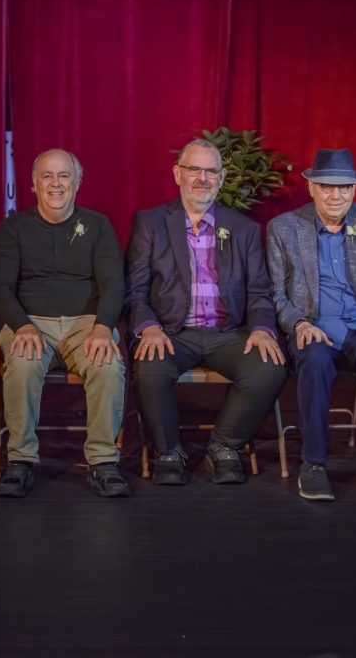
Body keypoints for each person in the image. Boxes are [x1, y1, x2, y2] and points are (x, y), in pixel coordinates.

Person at [125, 139, 287, 486]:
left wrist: (260, 328)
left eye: (210, 171)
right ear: (177, 174)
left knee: (269, 367)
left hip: (228, 333)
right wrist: (148, 327)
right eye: (194, 169)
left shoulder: (242, 229)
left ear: (222, 176)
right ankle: (169, 452)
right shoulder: (151, 223)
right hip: (171, 332)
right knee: (150, 367)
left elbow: (260, 290)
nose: (202, 178)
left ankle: (224, 447)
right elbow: (135, 290)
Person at [267, 148, 356, 501]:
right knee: (314, 363)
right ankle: (313, 463)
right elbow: (274, 293)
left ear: (355, 190)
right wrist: (298, 323)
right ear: (312, 187)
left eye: (344, 188)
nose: (336, 195)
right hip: (313, 327)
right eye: (327, 187)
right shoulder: (283, 228)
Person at [0, 148, 129, 498]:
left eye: (63, 175)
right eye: (47, 176)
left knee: (108, 365)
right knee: (21, 365)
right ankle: (21, 460)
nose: (55, 183)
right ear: (34, 184)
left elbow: (114, 283)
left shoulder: (98, 225)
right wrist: (21, 325)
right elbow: (0, 287)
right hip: (31, 322)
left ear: (77, 183)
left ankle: (103, 462)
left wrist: (102, 326)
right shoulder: (14, 228)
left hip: (87, 323)